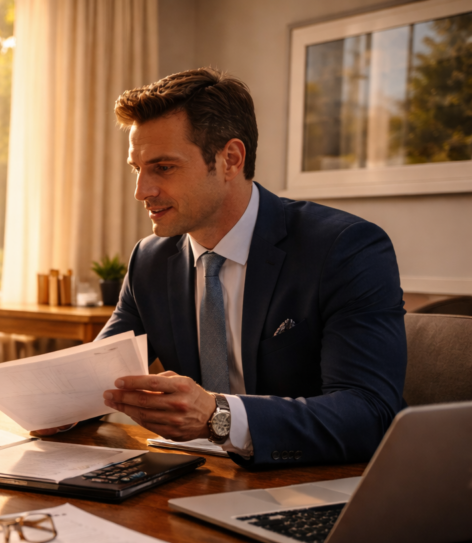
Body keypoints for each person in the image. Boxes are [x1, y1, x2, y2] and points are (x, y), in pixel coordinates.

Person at [93, 68, 406, 466]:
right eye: (138, 169)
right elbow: (97, 375)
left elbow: (370, 414)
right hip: (206, 479)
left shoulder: (345, 249)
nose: (142, 191)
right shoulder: (150, 260)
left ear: (230, 159)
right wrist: (51, 404)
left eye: (164, 167)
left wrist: (218, 416)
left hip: (326, 484)